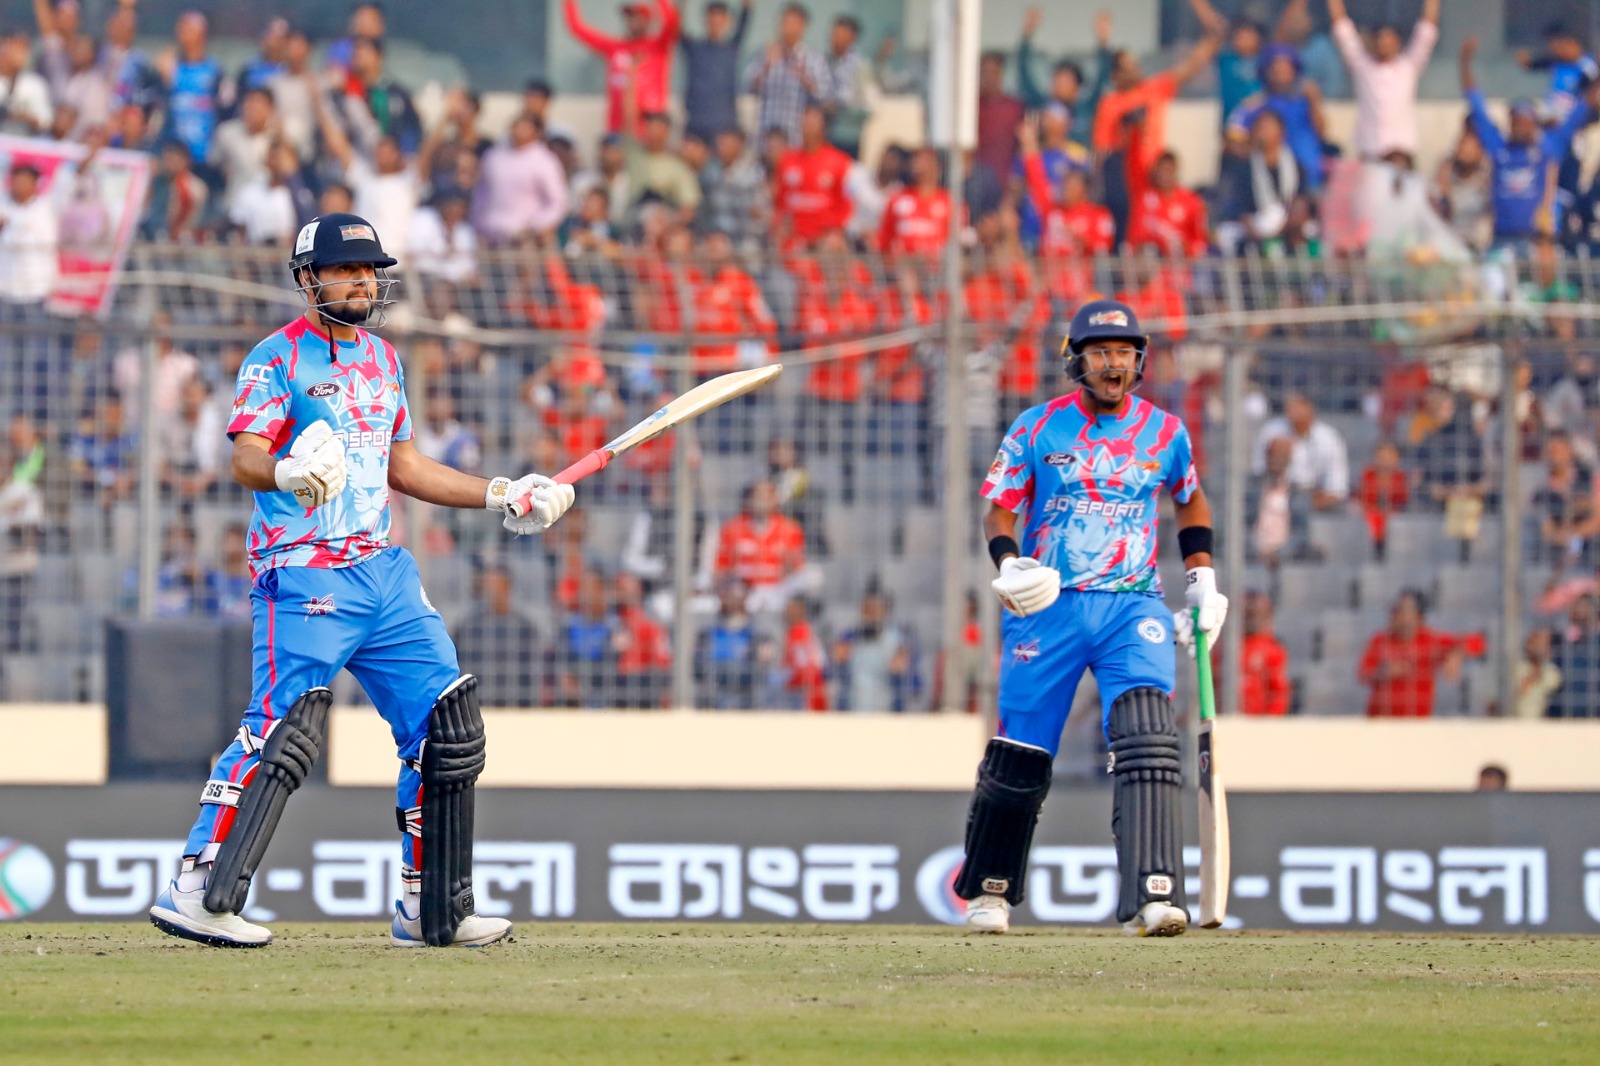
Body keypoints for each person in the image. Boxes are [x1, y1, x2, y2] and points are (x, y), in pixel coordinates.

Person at [145, 212, 576, 950]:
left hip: (384, 573)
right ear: (309, 278)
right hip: (304, 567)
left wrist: (503, 493)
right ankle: (197, 886)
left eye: (370, 269)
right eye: (346, 269)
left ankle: (429, 905)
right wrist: (285, 469)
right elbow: (244, 456)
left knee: (446, 729)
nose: (362, 281)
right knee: (278, 728)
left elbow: (403, 468)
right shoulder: (276, 358)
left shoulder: (382, 359)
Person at [955, 298, 1227, 938]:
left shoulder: (1165, 432)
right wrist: (1010, 563)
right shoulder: (1036, 427)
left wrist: (1201, 580)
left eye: (1126, 354)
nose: (1114, 366)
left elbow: (1190, 501)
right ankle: (990, 891)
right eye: (1102, 353)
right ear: (1077, 360)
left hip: (1132, 605)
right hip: (1048, 606)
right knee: (1021, 753)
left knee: (1149, 738)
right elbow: (998, 509)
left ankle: (1154, 895)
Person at [1461, 36, 1597, 247]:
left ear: (1534, 124)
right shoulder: (1499, 148)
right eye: (1516, 122)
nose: (1520, 128)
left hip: (1535, 242)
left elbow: (1581, 109)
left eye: (1525, 122)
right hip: (1501, 239)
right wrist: (1465, 62)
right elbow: (1477, 107)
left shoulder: (1548, 147)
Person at [1327, 0, 1437, 164]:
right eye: (1379, 38)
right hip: (1369, 152)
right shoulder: (1362, 67)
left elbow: (1427, 32)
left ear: (1397, 42)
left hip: (1401, 154)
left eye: (1388, 38)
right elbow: (1342, 30)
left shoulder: (1408, 67)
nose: (1383, 43)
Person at [1358, 589, 1482, 717]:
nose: (1394, 614)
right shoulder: (1380, 641)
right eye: (1395, 609)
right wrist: (1383, 672)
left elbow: (1478, 642)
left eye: (1401, 610)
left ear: (1418, 615)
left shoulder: (1432, 641)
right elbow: (1363, 674)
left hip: (1416, 725)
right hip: (1381, 722)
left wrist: (1457, 655)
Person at [567, 0, 680, 137]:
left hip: (649, 130)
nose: (632, 21)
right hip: (618, 129)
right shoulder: (614, 48)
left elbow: (671, 22)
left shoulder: (658, 46)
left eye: (638, 17)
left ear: (648, 20)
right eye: (629, 17)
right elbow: (577, 28)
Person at [1015, 7, 1112, 149]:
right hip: (1046, 168)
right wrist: (1026, 36)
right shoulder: (1043, 105)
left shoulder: (1087, 108)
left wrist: (1103, 42)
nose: (1058, 86)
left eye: (1065, 82)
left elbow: (1102, 78)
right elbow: (1024, 77)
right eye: (1056, 81)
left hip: (1078, 168)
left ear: (1077, 87)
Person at [744, 3, 829, 144]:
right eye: (784, 22)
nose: (788, 28)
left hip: (796, 137)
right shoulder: (764, 53)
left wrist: (805, 79)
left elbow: (825, 97)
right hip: (766, 134)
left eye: (793, 23)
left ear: (803, 27)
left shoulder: (813, 59)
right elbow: (747, 89)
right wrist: (765, 67)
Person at [1252, 393, 1350, 511]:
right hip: (1279, 493)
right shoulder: (1272, 432)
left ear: (1311, 412)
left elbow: (1337, 484)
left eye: (1300, 410)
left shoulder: (1330, 439)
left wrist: (1315, 501)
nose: (1295, 414)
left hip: (1315, 498)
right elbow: (1258, 471)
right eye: (1291, 410)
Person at [773, 103, 852, 248]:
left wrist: (834, 232)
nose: (806, 126)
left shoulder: (839, 161)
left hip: (825, 240)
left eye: (812, 122)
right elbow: (780, 201)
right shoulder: (787, 160)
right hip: (794, 240)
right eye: (804, 121)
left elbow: (846, 204)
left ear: (824, 127)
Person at [680, 0, 750, 145]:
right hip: (696, 126)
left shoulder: (732, 48)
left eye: (720, 20)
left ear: (727, 22)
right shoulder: (694, 48)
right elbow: (678, 28)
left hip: (725, 127)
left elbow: (745, 20)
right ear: (705, 20)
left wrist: (746, 7)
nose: (715, 24)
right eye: (712, 19)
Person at [1518, 22, 1599, 126]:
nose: (1557, 50)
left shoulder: (1587, 65)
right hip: (1551, 113)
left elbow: (1590, 92)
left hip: (1573, 119)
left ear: (1573, 44)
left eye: (1561, 46)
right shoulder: (1557, 62)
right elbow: (1534, 64)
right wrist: (1526, 62)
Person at [1232, 590, 1289, 716]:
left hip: (1259, 723)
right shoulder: (1225, 647)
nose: (1251, 621)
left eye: (1256, 615)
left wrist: (1269, 724)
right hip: (1227, 720)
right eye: (1247, 615)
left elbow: (1279, 694)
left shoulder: (1273, 649)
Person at [1516, 628, 1562, 720]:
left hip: (1543, 724)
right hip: (1517, 721)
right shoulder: (1518, 668)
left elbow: (1553, 685)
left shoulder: (1552, 671)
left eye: (1540, 644)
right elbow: (1518, 691)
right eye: (1532, 643)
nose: (1536, 647)